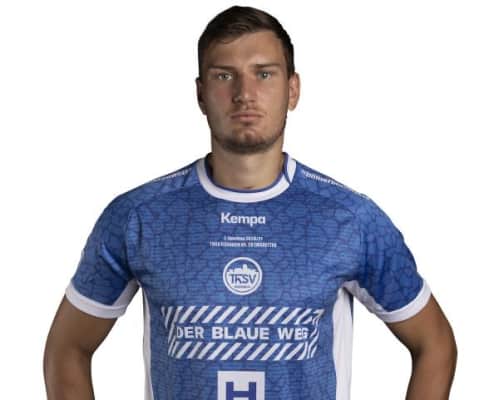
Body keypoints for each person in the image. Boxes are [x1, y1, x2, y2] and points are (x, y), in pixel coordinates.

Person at [43, 5, 457, 400]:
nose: (245, 93)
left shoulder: (348, 219)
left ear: (292, 90)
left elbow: (435, 343)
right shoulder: (140, 216)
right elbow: (67, 349)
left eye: (264, 74)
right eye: (225, 76)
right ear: (201, 94)